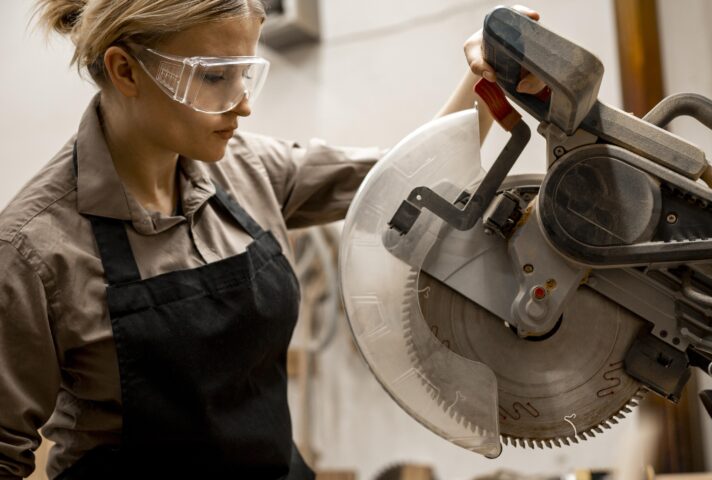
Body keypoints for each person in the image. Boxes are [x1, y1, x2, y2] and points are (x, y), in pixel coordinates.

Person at [0, 1, 540, 478]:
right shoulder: (33, 249)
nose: (243, 104)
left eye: (246, 75)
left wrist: (487, 74)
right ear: (125, 70)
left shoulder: (251, 168)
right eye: (215, 77)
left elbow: (404, 182)